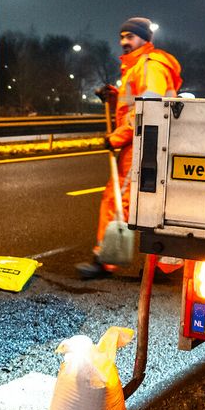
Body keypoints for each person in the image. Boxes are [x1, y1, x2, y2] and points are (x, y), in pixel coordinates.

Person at [77, 17, 182, 280]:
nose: (124, 41)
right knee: (159, 203)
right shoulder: (139, 67)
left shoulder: (148, 66)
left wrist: (117, 137)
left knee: (117, 200)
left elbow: (148, 110)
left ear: (145, 38)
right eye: (122, 36)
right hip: (153, 142)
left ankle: (106, 260)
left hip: (142, 145)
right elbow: (133, 106)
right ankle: (165, 266)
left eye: (130, 36)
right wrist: (114, 97)